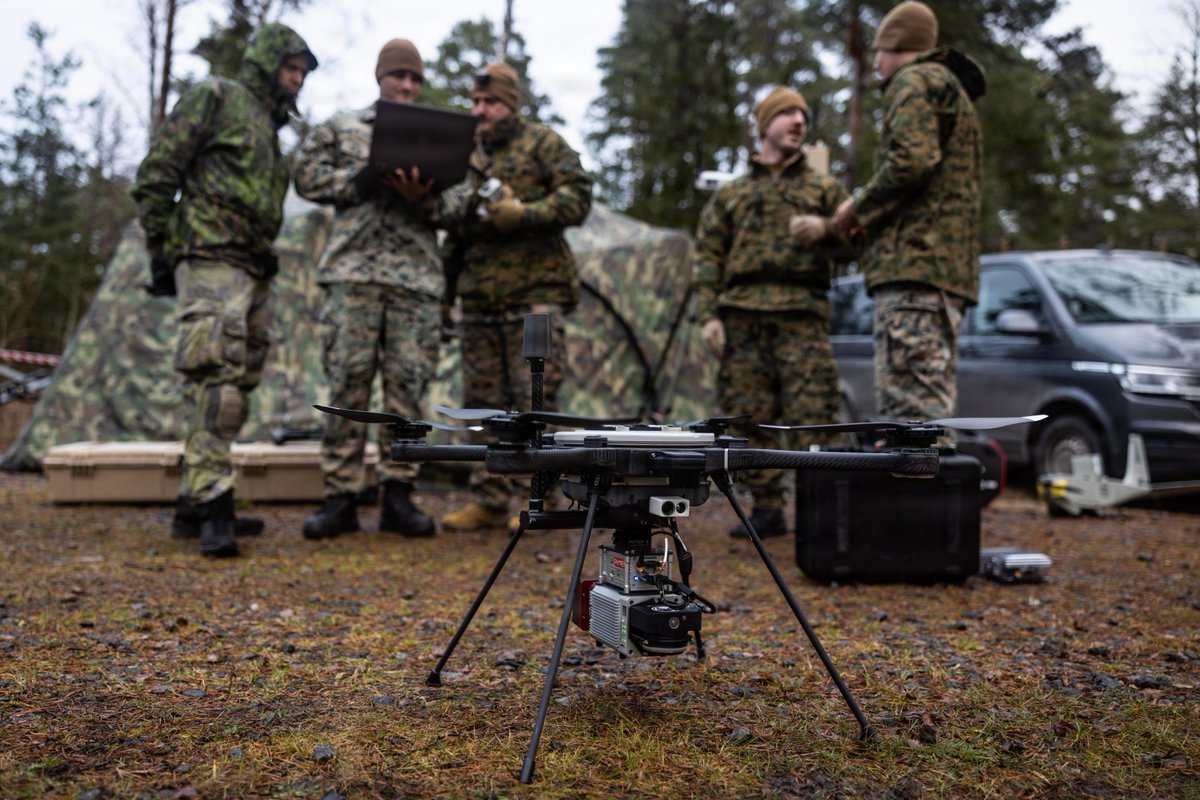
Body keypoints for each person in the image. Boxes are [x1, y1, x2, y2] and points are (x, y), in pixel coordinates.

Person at [132, 23, 318, 557]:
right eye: (291, 67)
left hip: (252, 266)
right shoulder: (218, 97)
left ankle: (193, 504)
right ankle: (216, 504)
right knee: (216, 377)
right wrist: (163, 250)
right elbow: (157, 175)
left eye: (304, 72)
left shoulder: (267, 127)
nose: (298, 79)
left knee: (236, 378)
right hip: (210, 257)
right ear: (264, 61)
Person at [293, 39, 447, 540]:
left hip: (415, 280)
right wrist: (355, 182)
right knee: (347, 383)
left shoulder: (438, 134)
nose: (406, 85)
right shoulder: (342, 126)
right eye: (398, 76)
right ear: (380, 77)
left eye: (414, 78)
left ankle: (398, 497)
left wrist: (423, 199)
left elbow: (465, 200)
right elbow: (304, 175)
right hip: (352, 276)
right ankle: (339, 497)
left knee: (408, 386)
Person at [438, 62, 593, 532]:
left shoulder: (543, 143)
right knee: (482, 400)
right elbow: (449, 226)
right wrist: (446, 294)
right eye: (476, 102)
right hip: (481, 298)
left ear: (512, 103)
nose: (481, 110)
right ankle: (489, 498)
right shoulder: (463, 153)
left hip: (536, 295)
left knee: (535, 399)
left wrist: (523, 214)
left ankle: (538, 500)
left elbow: (579, 197)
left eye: (491, 102)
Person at [693, 87, 849, 539]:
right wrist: (710, 316)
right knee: (749, 416)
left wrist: (827, 228)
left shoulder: (823, 188)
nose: (799, 121)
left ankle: (826, 509)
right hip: (741, 317)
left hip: (802, 315)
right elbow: (708, 257)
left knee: (815, 414)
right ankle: (766, 508)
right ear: (765, 126)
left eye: (803, 114)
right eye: (787, 114)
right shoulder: (732, 194)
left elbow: (858, 238)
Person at [832, 0, 985, 426]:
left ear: (892, 47)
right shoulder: (948, 88)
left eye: (877, 53)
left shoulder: (913, 80)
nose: (875, 64)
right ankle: (930, 489)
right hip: (939, 273)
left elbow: (912, 161)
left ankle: (919, 491)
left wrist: (856, 208)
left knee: (911, 422)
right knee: (929, 411)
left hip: (914, 272)